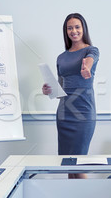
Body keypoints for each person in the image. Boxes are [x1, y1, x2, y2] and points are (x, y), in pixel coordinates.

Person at [42, 13, 99, 159]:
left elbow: (90, 60)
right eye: (70, 28)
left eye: (77, 27)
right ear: (66, 31)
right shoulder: (61, 57)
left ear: (83, 28)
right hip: (63, 114)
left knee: (79, 165)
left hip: (83, 113)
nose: (74, 31)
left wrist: (87, 68)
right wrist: (48, 90)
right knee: (67, 165)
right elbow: (60, 90)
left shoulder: (90, 51)